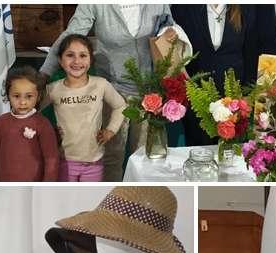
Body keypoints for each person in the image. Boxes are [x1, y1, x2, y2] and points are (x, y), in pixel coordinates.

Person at [39, 4, 179, 181]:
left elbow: (168, 27)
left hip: (150, 92)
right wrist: (43, 74)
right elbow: (70, 37)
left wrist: (170, 32)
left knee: (144, 157)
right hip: (112, 88)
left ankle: (138, 195)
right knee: (111, 157)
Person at [169, 4, 258, 146]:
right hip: (197, 99)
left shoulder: (246, 8)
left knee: (230, 153)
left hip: (233, 99)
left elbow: (250, 55)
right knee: (198, 151)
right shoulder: (183, 8)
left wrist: (247, 97)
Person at [45, 35, 127, 182]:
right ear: (60, 60)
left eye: (83, 55)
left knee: (89, 194)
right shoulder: (53, 89)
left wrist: (111, 130)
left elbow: (120, 106)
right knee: (67, 195)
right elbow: (32, 112)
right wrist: (48, 132)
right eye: (70, 55)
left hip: (94, 162)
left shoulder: (100, 84)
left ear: (91, 59)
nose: (77, 61)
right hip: (65, 161)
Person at [0, 66, 59, 182]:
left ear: (38, 96)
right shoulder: (1, 122)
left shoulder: (42, 124)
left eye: (29, 96)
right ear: (8, 95)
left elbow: (51, 158)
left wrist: (48, 184)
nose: (23, 102)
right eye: (16, 96)